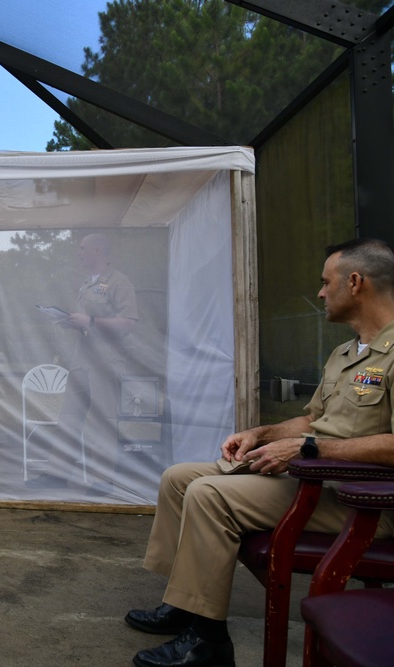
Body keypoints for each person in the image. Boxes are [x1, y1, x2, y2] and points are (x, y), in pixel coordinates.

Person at [126, 238, 394, 667]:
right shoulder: (346, 352)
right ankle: (186, 602)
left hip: (359, 499)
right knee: (179, 478)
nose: (322, 293)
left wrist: (311, 448)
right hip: (313, 478)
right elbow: (311, 420)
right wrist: (263, 433)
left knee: (209, 495)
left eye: (326, 283)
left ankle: (208, 642)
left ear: (356, 282)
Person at [58, 234, 137, 494]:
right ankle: (57, 473)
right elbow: (86, 321)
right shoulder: (85, 283)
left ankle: (101, 480)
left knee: (103, 420)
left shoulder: (119, 282)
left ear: (97, 251)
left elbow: (128, 324)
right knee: (68, 417)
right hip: (81, 360)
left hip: (105, 363)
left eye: (82, 249)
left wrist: (90, 322)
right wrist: (72, 322)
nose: (78, 253)